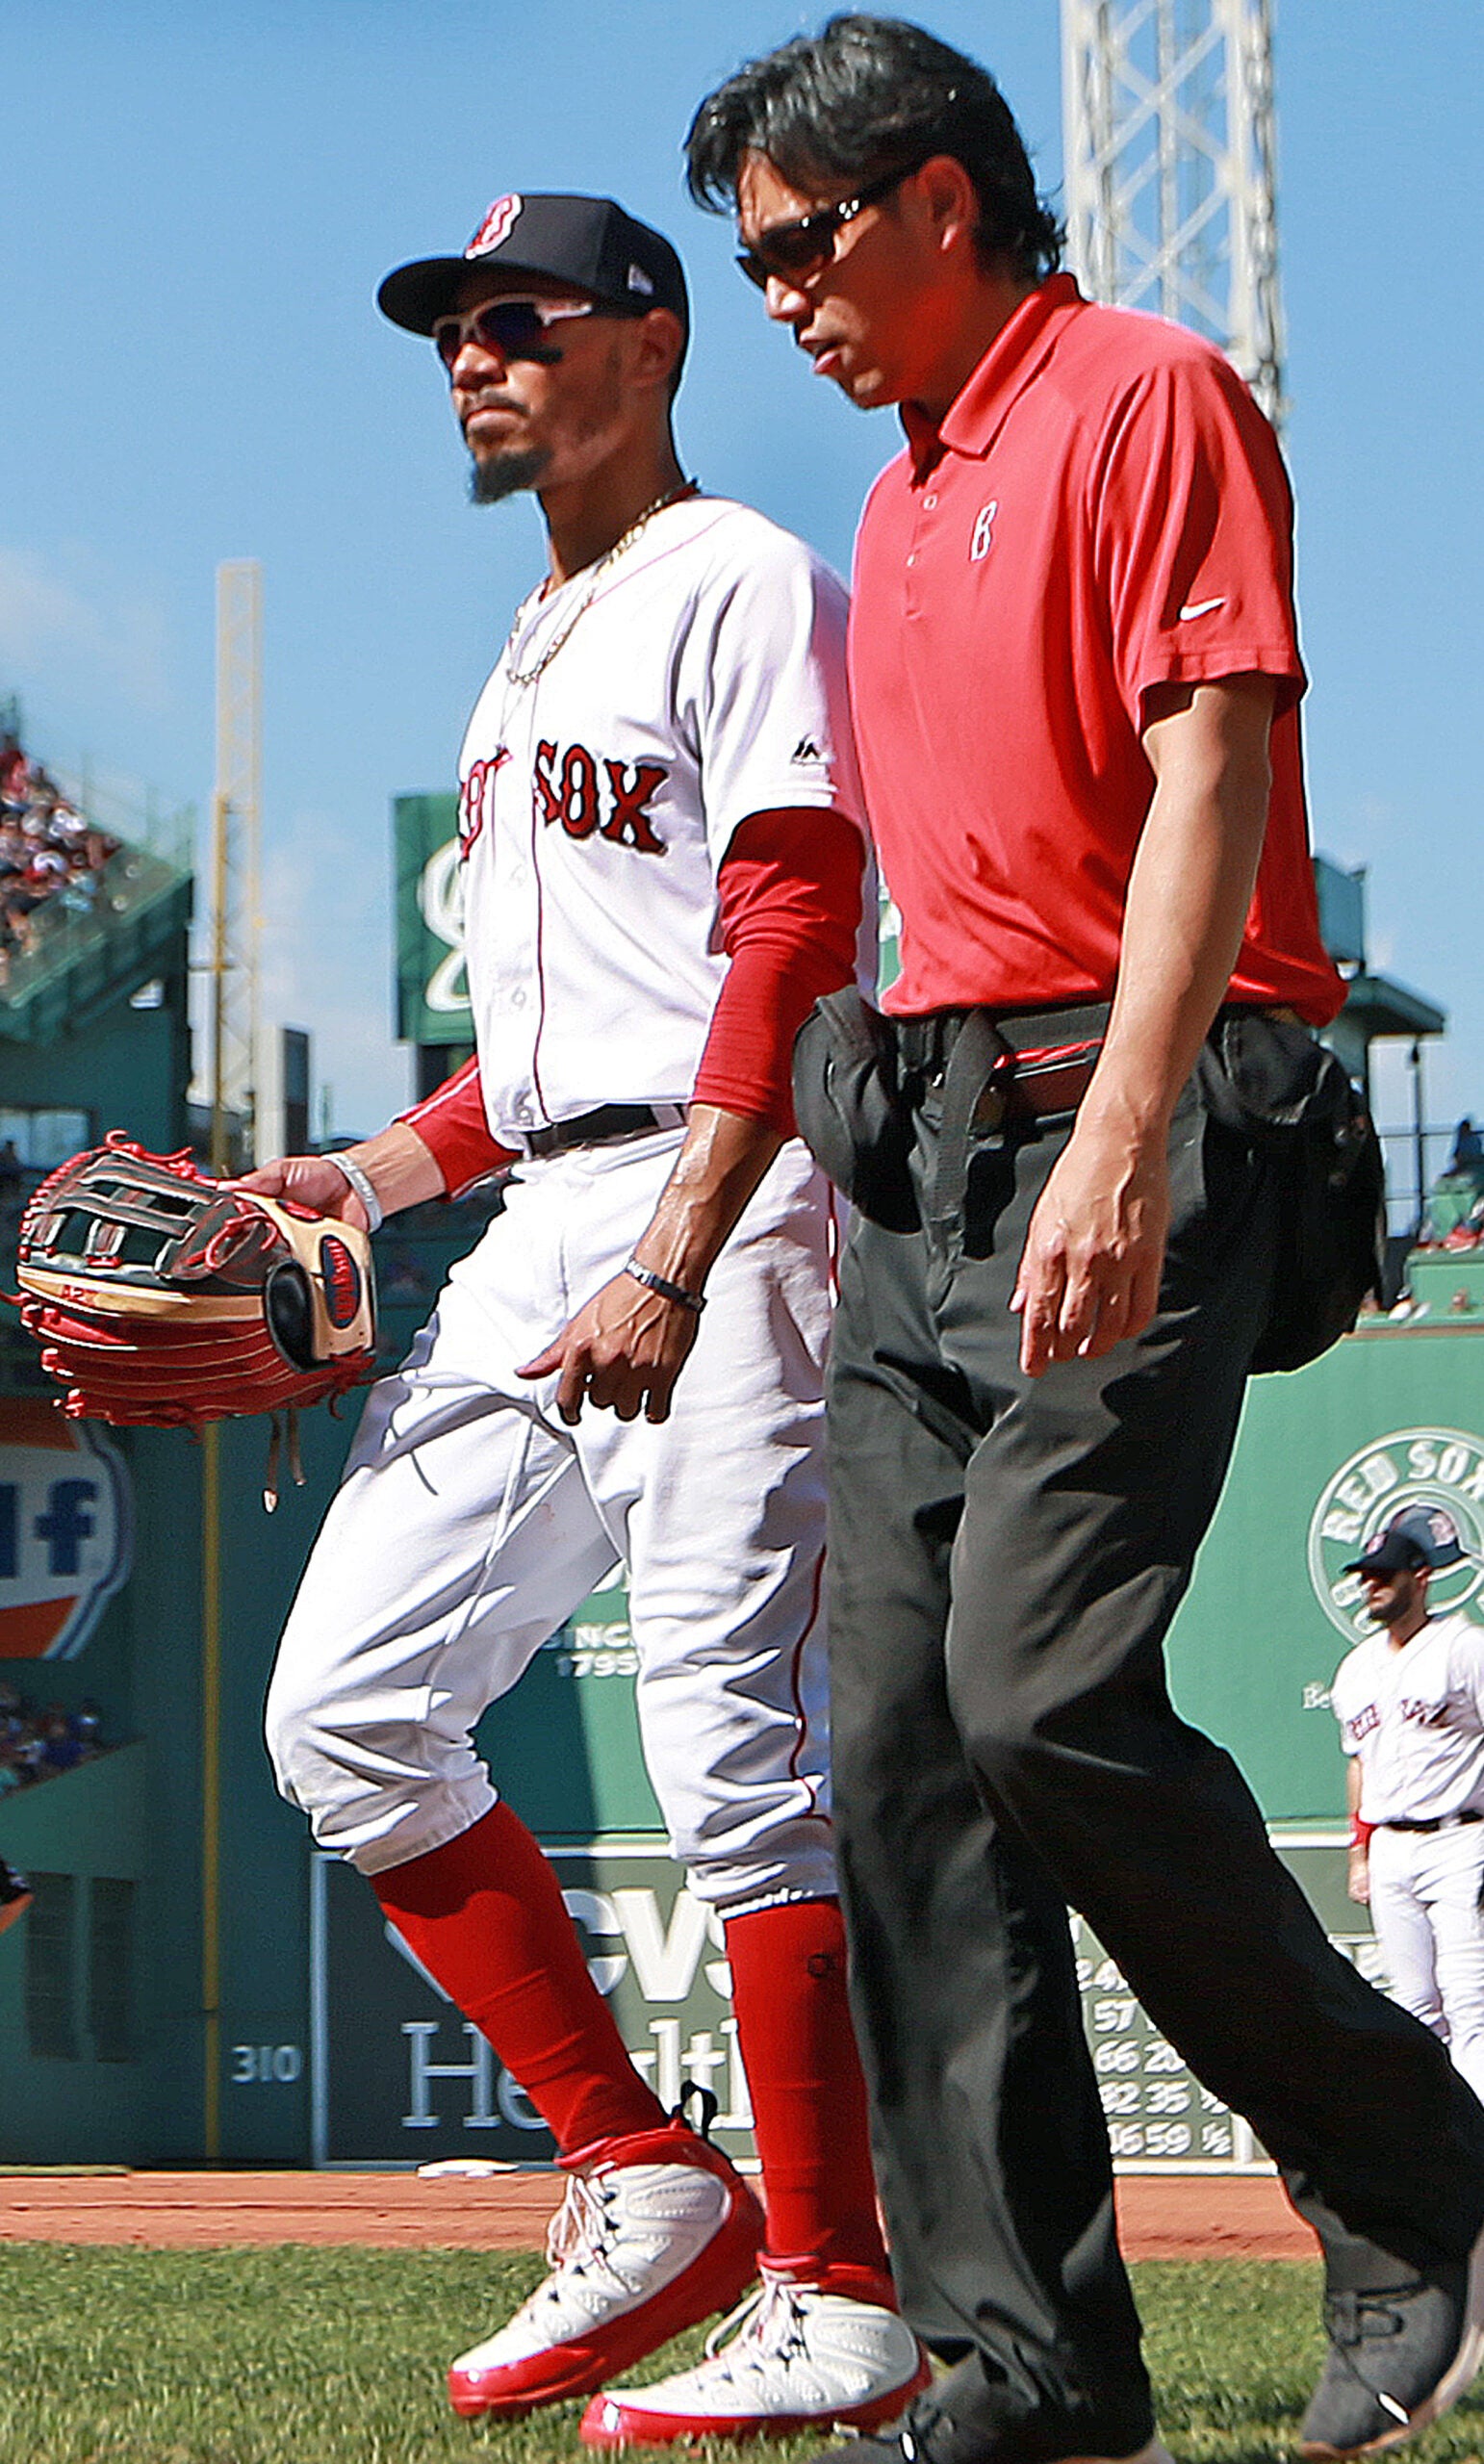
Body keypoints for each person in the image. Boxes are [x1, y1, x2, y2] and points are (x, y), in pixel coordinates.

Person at [685, 18, 1484, 2464]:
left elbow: (1215, 771)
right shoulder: (906, 493)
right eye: (752, 271)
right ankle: (1031, 2368)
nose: (787, 305)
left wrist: (1130, 1134)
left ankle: (1421, 2185)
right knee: (903, 1750)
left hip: (1148, 1122)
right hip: (934, 1148)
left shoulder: (1142, 394)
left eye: (807, 247)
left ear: (940, 198)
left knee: (1040, 1695)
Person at [250, 189, 928, 2444]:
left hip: (727, 1189)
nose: (471, 352)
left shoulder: (738, 577)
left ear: (649, 340)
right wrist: (359, 1172)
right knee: (344, 1714)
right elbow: (536, 1042)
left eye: (516, 317)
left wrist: (682, 1236)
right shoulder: (525, 642)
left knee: (731, 1744)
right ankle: (643, 2169)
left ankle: (841, 2282)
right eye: (447, 324)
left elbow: (789, 923)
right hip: (550, 1196)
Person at [1335, 1508, 1484, 2103]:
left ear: (1420, 1577)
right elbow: (1359, 1764)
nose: (1372, 1585)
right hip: (1390, 1850)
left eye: (1385, 1574)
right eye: (1366, 1575)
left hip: (1461, 1840)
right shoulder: (1355, 1669)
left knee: (1470, 2001)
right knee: (1414, 2006)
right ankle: (1439, 2153)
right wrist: (1360, 1853)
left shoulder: (1464, 1647)